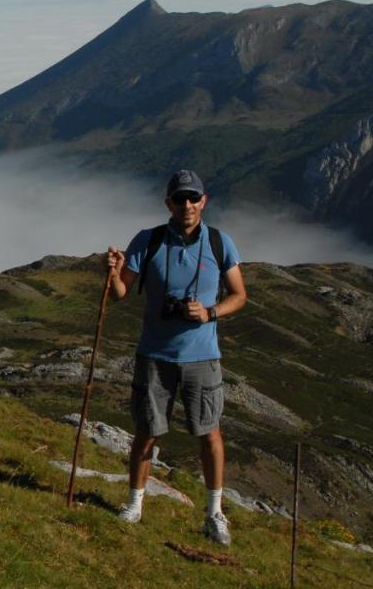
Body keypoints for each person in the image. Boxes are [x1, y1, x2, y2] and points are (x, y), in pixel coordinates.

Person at [105, 169, 247, 545]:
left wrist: (210, 313)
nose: (186, 205)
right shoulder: (147, 241)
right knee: (146, 432)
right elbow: (120, 294)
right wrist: (113, 273)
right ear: (168, 203)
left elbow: (239, 295)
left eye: (193, 198)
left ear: (204, 201)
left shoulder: (219, 242)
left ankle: (215, 513)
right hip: (155, 355)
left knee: (210, 434)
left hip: (202, 356)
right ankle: (134, 504)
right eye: (179, 198)